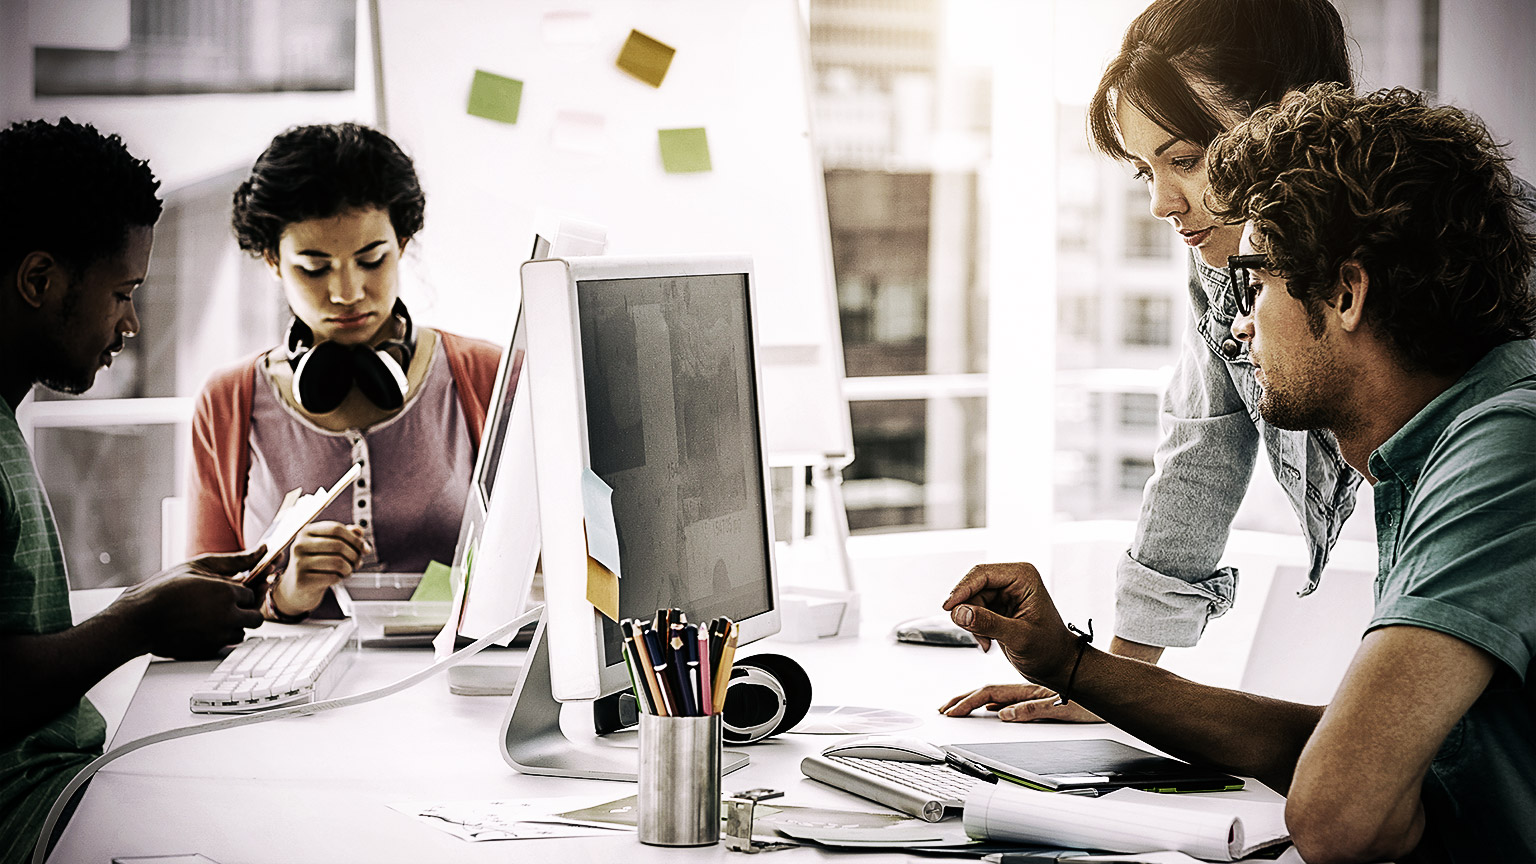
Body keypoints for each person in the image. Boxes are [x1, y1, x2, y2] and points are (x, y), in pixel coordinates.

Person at [945, 85, 1536, 862]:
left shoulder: (1504, 449)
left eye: (1256, 280)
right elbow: (1348, 755)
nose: (1238, 321)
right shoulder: (1458, 433)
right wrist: (1070, 663)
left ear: (1348, 293)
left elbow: (1340, 815)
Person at [944, 0, 1362, 723]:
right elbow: (1201, 445)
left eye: (1186, 159)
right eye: (1146, 170)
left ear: (1291, 116)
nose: (1163, 203)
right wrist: (1102, 686)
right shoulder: (1228, 254)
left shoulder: (1425, 269)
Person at [0, 118, 267, 864]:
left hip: (62, 786)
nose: (131, 322)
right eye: (122, 292)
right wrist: (138, 624)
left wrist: (143, 602)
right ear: (39, 281)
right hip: (29, 818)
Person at [188, 123, 501, 621]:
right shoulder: (228, 401)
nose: (347, 292)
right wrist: (288, 593)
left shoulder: (487, 375)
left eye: (372, 260)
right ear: (272, 261)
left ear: (401, 243)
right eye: (314, 268)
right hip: (297, 691)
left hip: (454, 680)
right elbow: (207, 606)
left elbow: (549, 570)